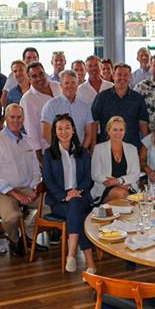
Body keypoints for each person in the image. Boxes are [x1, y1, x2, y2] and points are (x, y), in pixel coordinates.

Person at [0, 103, 41, 257]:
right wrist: (15, 194)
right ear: (6, 119)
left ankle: (28, 235)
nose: (16, 120)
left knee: (53, 205)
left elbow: (36, 169)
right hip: (0, 191)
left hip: (27, 188)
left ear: (23, 119)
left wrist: (35, 187)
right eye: (12, 117)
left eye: (19, 117)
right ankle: (14, 240)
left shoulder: (28, 140)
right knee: (12, 216)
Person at [42, 114, 96, 274]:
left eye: (67, 128)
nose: (63, 132)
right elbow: (48, 181)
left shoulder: (83, 152)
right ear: (55, 131)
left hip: (81, 195)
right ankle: (90, 264)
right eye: (60, 128)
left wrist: (76, 192)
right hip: (60, 201)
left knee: (76, 204)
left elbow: (88, 178)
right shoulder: (49, 154)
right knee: (81, 216)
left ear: (73, 130)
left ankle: (71, 254)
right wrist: (65, 195)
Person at [92, 63, 150, 149]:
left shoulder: (138, 98)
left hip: (132, 148)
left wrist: (145, 148)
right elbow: (94, 123)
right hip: (106, 148)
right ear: (113, 76)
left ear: (130, 77)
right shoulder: (102, 97)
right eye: (119, 74)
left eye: (126, 75)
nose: (122, 78)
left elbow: (143, 124)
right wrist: (93, 147)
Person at [91, 116, 141, 204]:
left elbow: (136, 173)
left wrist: (119, 181)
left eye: (121, 130)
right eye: (114, 129)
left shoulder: (132, 149)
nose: (118, 133)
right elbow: (95, 174)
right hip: (105, 188)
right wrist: (115, 183)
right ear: (108, 130)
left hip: (127, 186)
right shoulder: (99, 148)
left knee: (123, 193)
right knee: (121, 193)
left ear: (125, 131)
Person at [41, 70, 95, 150]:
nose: (70, 86)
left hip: (79, 154)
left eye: (73, 83)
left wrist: (81, 151)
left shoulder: (85, 107)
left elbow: (89, 133)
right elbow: (46, 133)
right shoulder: (50, 106)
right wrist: (61, 152)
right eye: (66, 83)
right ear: (61, 85)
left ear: (77, 85)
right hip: (57, 154)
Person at [20, 62, 62, 157]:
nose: (39, 78)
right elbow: (31, 130)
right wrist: (39, 157)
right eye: (34, 76)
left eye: (41, 74)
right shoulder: (27, 99)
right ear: (29, 79)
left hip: (67, 144)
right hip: (46, 150)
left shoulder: (57, 86)